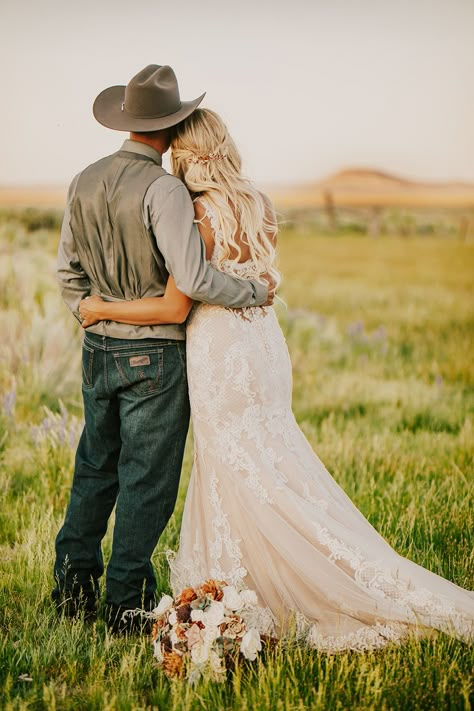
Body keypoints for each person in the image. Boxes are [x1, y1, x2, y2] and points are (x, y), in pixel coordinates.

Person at [79, 107, 474, 651]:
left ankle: (253, 581)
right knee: (270, 454)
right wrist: (258, 289)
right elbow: (269, 278)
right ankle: (275, 567)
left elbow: (178, 299)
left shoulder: (196, 212)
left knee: (232, 463)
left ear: (191, 154)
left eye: (177, 153)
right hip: (263, 346)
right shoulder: (259, 204)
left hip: (219, 349)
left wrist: (101, 307)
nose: (171, 161)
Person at [53, 65, 275, 634]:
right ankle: (125, 602)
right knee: (147, 483)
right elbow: (195, 280)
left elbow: (67, 273)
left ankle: (71, 588)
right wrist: (252, 291)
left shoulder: (82, 178)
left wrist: (88, 311)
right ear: (170, 127)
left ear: (128, 121)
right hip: (153, 356)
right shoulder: (165, 189)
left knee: (94, 468)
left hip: (98, 350)